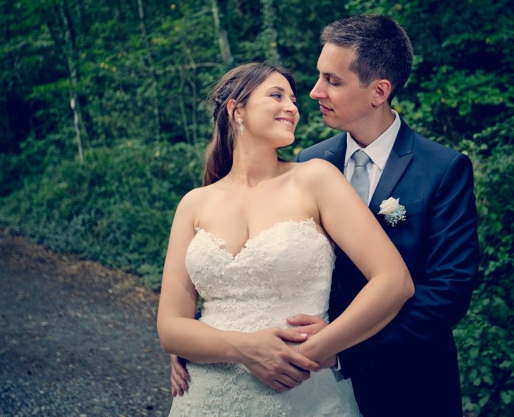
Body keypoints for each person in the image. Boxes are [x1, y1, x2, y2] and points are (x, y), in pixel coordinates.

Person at [171, 15, 479, 416]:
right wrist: (199, 340)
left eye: (332, 81)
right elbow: (268, 271)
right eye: (318, 77)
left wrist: (339, 350)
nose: (315, 92)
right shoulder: (311, 160)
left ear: (379, 91)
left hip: (404, 380)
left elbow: (448, 293)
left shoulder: (442, 168)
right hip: (303, 379)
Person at [157, 62, 415, 416]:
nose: (292, 107)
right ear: (236, 110)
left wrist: (311, 352)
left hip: (304, 393)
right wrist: (244, 348)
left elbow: (394, 281)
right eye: (277, 96)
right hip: (204, 398)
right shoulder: (193, 204)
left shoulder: (315, 179)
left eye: (293, 99)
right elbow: (171, 328)